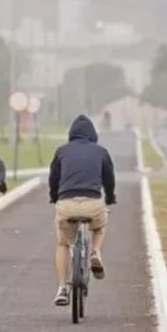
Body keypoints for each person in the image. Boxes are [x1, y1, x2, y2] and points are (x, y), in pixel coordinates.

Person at [48, 115, 116, 306]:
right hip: (93, 204)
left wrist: (54, 196)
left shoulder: (61, 151)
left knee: (63, 243)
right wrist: (110, 198)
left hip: (66, 203)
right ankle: (95, 252)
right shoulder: (101, 152)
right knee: (100, 225)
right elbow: (109, 180)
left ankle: (62, 288)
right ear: (93, 134)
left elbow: (53, 179)